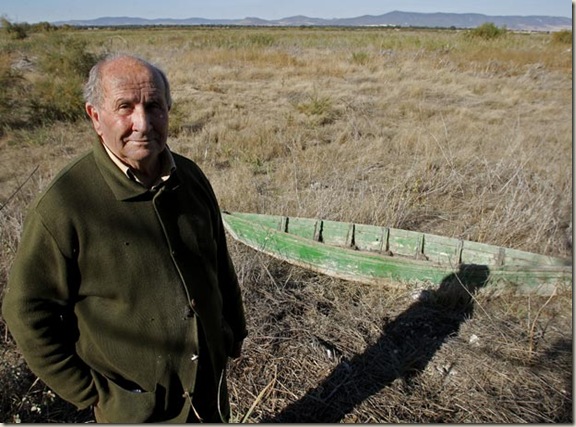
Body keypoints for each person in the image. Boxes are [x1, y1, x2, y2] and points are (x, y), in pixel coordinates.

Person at [2, 54, 248, 423]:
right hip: (137, 411)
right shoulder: (65, 203)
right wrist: (94, 395)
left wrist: (232, 333)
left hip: (208, 392)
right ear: (95, 116)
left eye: (154, 106)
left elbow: (218, 266)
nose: (143, 123)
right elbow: (26, 312)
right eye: (125, 107)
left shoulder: (190, 178)